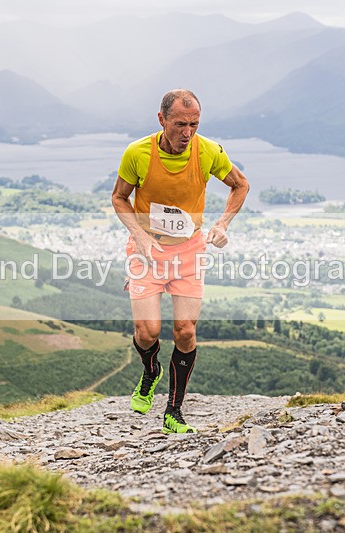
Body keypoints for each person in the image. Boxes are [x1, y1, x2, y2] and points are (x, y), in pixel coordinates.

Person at [111, 89, 250, 434]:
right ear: (162, 120)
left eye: (194, 124)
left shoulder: (208, 151)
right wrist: (140, 235)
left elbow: (240, 185)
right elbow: (119, 198)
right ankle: (151, 371)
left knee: (185, 331)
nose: (187, 133)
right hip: (147, 250)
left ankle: (174, 410)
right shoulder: (138, 153)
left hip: (189, 250)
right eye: (179, 125)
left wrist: (222, 224)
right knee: (147, 332)